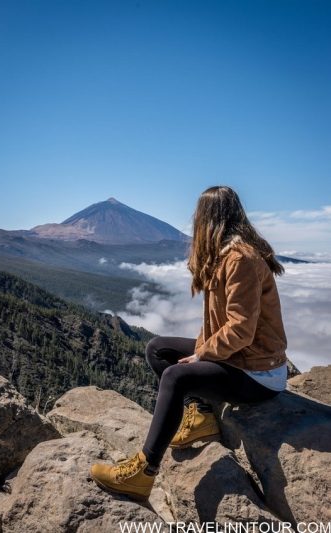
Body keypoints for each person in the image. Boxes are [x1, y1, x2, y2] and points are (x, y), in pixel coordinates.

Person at [88, 185, 288, 502]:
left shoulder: (241, 260)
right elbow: (218, 325)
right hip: (240, 359)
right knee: (158, 349)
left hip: (259, 373)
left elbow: (240, 330)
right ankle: (202, 415)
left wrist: (201, 354)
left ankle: (143, 472)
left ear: (209, 219)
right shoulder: (223, 256)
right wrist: (202, 349)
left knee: (176, 376)